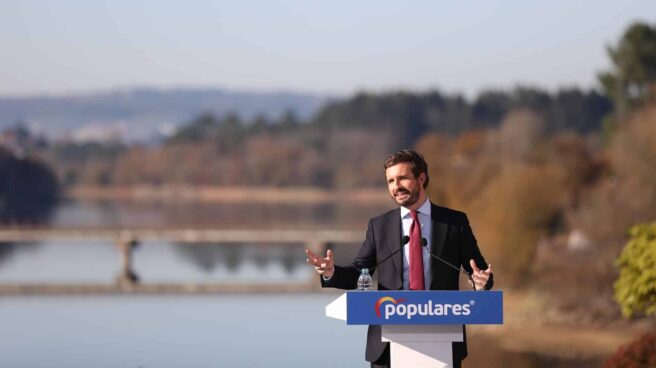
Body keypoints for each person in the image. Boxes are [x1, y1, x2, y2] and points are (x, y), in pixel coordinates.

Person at [306, 149, 493, 368]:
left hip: (443, 339)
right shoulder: (379, 226)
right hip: (387, 346)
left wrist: (481, 283)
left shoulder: (454, 223)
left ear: (421, 178)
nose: (396, 187)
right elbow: (359, 273)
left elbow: (478, 271)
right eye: (390, 181)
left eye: (402, 178)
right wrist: (332, 273)